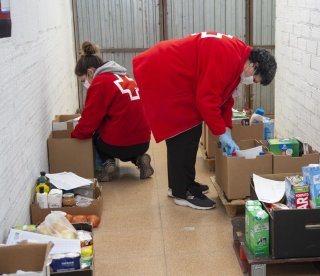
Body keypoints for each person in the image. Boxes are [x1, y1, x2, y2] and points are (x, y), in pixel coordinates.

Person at [132, 32, 276, 210]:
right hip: (165, 73)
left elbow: (224, 97)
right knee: (184, 130)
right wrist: (221, 133)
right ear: (255, 65)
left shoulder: (237, 55)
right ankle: (182, 192)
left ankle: (182, 183)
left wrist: (227, 128)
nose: (251, 82)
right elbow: (206, 99)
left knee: (191, 131)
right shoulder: (228, 58)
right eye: (255, 79)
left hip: (172, 72)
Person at [71, 41, 154, 182]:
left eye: (83, 80)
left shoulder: (99, 83)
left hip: (117, 145)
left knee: (95, 134)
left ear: (90, 71)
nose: (85, 84)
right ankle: (139, 159)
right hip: (143, 143)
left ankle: (107, 162)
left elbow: (88, 122)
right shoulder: (126, 77)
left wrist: (74, 135)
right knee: (124, 135)